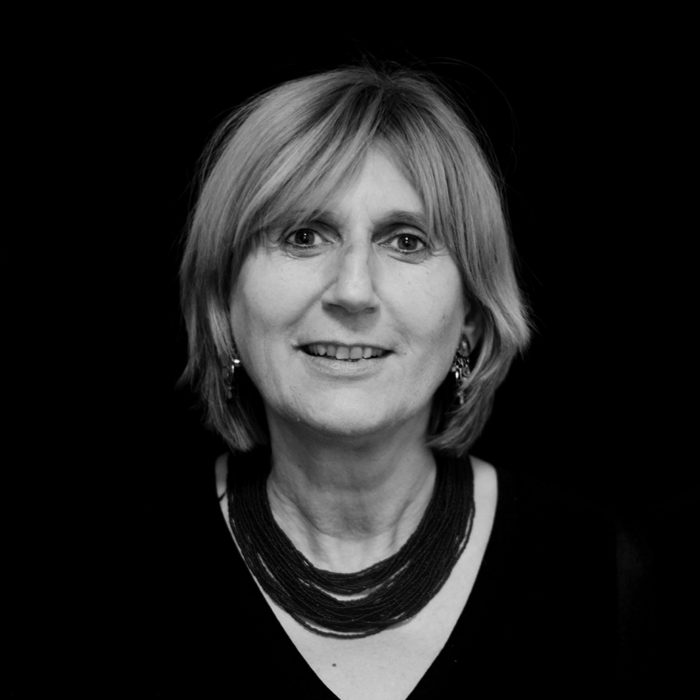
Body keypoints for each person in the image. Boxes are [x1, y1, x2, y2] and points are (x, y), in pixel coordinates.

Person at [168, 65, 608, 697]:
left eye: (406, 241)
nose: (352, 291)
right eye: (303, 236)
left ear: (471, 314)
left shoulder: (598, 569)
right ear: (223, 302)